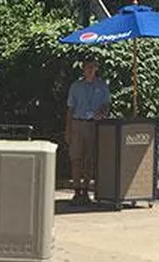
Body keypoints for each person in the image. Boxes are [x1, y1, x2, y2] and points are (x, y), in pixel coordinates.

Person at [65, 56, 111, 204]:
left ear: (96, 69)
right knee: (76, 159)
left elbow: (107, 104)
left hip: (94, 125)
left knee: (89, 159)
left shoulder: (102, 86)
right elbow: (70, 109)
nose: (90, 70)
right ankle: (77, 191)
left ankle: (86, 191)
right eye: (87, 67)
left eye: (93, 67)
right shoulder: (76, 86)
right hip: (78, 124)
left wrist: (102, 113)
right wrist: (68, 129)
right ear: (83, 69)